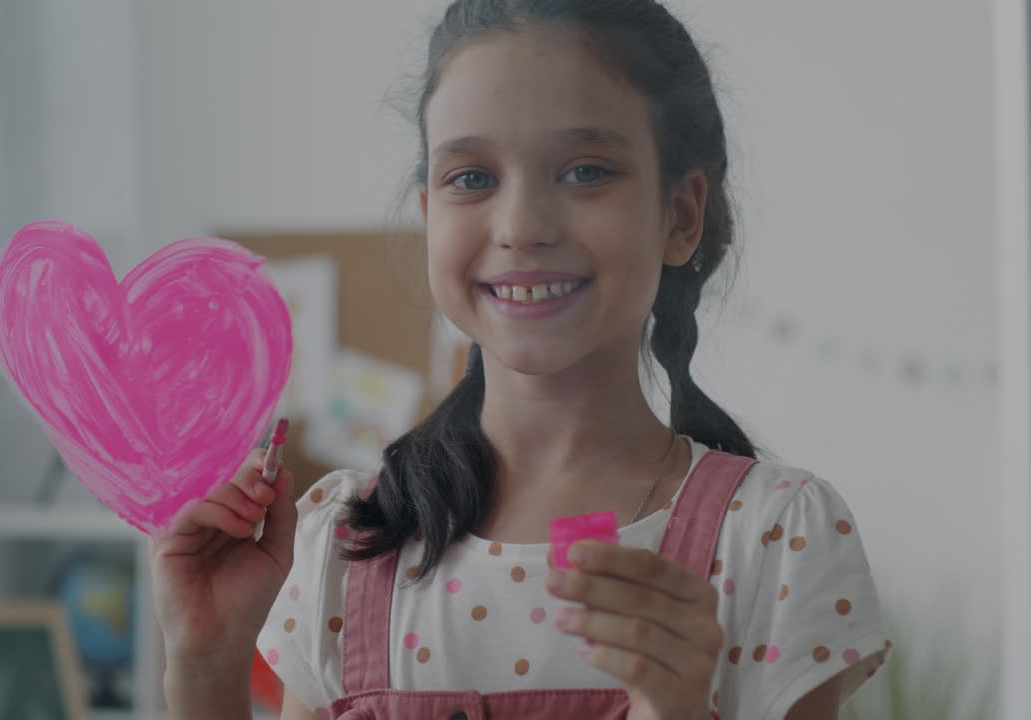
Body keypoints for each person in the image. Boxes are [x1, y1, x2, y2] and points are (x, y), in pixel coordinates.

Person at [150, 1, 891, 718]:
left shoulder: (772, 537)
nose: (521, 225)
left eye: (586, 171)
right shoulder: (340, 546)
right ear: (429, 216)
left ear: (681, 215)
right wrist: (206, 665)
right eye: (471, 178)